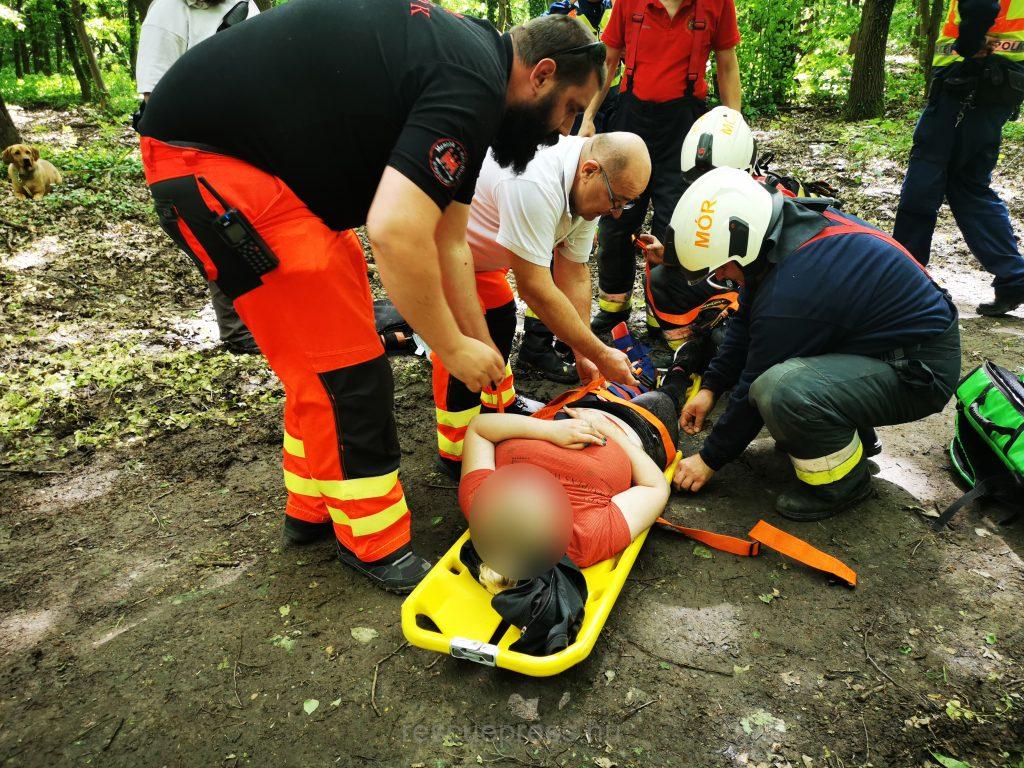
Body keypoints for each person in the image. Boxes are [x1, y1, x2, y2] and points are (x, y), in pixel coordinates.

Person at [137, 0, 605, 592]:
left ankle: (310, 508)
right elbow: (396, 229)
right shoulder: (470, 81)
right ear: (539, 73)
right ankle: (374, 543)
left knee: (328, 349)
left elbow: (449, 241)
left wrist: (478, 342)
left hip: (254, 176)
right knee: (349, 371)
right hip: (214, 169)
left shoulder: (470, 69)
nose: (565, 130)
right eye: (568, 108)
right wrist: (448, 347)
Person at [671, 168, 961, 520]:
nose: (719, 278)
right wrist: (712, 387)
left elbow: (752, 384)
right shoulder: (787, 227)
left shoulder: (792, 291)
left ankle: (842, 484)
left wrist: (709, 459)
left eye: (720, 269)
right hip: (884, 344)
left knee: (778, 390)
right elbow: (746, 320)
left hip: (917, 369)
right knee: (782, 386)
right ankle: (845, 432)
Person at [434, 132, 651, 476]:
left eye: (626, 203)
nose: (617, 213)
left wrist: (583, 354)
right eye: (617, 201)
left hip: (481, 260)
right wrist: (601, 353)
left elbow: (574, 271)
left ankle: (498, 409)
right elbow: (534, 288)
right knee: (467, 340)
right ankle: (457, 449)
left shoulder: (589, 189)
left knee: (501, 316)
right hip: (440, 251)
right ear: (590, 170)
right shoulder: (535, 182)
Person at [459, 339, 700, 591]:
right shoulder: (585, 536)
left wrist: (550, 431)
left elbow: (479, 428)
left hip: (573, 409)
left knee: (620, 378)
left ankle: (638, 363)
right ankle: (680, 370)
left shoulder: (481, 503)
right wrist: (611, 432)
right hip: (636, 426)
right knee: (660, 395)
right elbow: (656, 488)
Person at [579, 0, 742, 337]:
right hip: (630, 121)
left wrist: (733, 126)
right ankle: (613, 308)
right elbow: (609, 59)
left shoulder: (717, 4)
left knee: (676, 230)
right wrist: (588, 117)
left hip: (686, 127)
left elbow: (727, 65)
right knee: (615, 219)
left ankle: (662, 316)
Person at [135, 0, 261, 354]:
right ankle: (237, 330)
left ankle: (265, 316)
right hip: (185, 145)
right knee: (219, 230)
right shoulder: (167, 11)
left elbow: (259, 68)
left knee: (256, 225)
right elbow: (155, 95)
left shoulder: (243, 5)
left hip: (243, 138)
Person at [893, 0, 1024, 316]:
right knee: (969, 187)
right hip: (995, 87)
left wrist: (969, 43)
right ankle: (1015, 278)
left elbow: (980, 5)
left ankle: (902, 279)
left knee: (924, 183)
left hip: (969, 84)